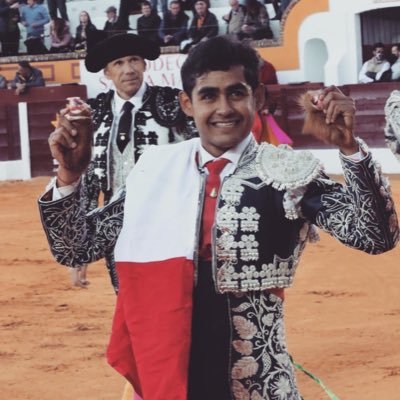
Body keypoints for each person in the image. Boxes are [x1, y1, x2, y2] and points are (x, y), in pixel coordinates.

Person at [39, 36, 398, 399]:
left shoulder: (286, 172)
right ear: (187, 103)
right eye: (209, 95)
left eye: (236, 93)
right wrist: (70, 176)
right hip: (170, 377)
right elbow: (76, 246)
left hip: (258, 385)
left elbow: (375, 237)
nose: (223, 108)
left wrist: (350, 151)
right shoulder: (155, 172)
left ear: (257, 97)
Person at [53, 32, 196, 293]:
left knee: (178, 302)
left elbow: (203, 161)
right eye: (118, 63)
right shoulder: (92, 113)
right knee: (130, 303)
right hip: (118, 228)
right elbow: (87, 182)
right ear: (107, 73)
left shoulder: (173, 103)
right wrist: (81, 249)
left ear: (144, 64)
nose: (128, 69)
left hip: (173, 224)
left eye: (134, 60)